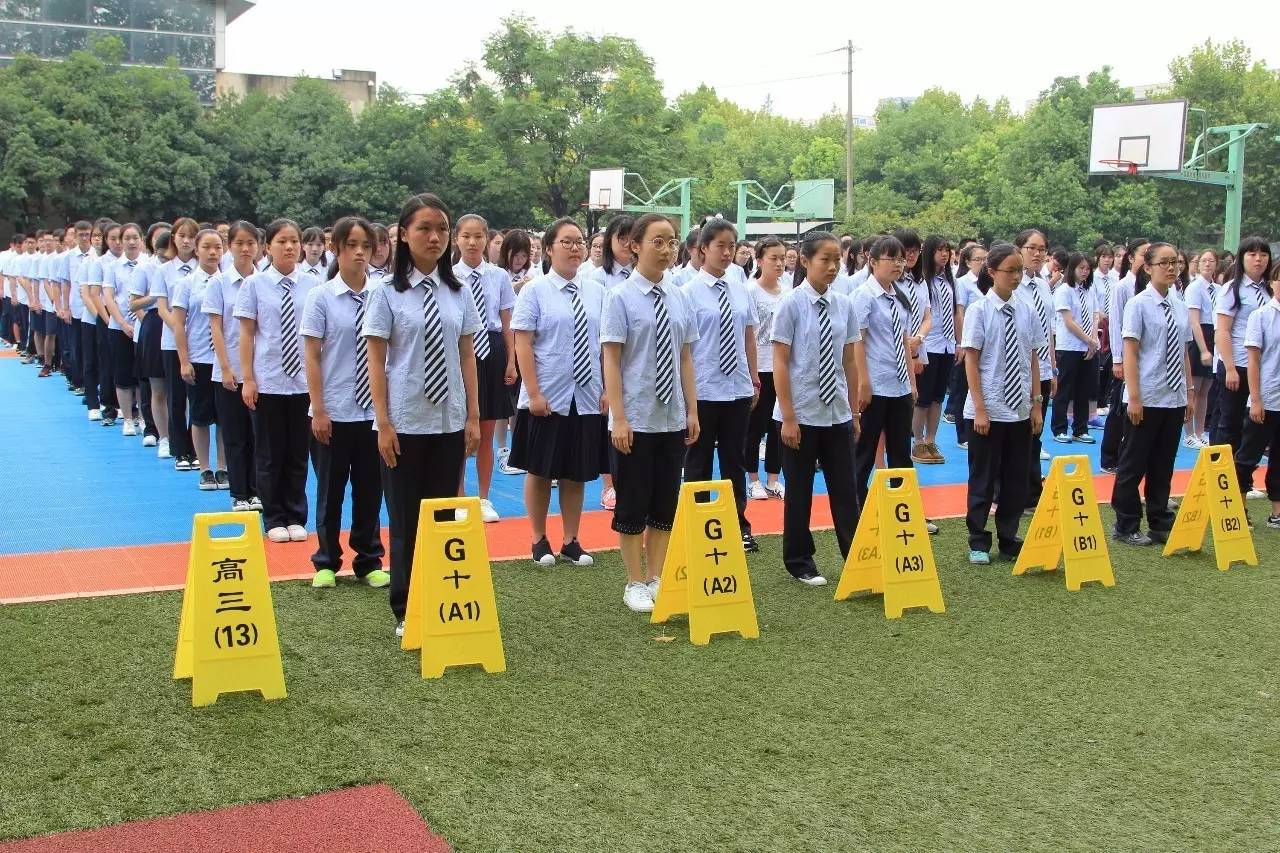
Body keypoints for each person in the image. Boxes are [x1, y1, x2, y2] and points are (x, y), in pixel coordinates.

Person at [365, 193, 481, 638]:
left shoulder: (458, 292)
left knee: (443, 514)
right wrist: (384, 422)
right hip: (405, 422)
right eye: (424, 229)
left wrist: (473, 415)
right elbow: (376, 361)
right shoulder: (386, 293)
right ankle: (406, 606)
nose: (435, 237)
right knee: (406, 518)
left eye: (442, 229)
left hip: (449, 422)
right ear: (403, 235)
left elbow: (467, 354)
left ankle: (442, 597)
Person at [601, 213, 699, 614]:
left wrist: (691, 410)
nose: (666, 249)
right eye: (657, 241)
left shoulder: (680, 295)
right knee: (632, 503)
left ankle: (658, 575)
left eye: (672, 241)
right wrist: (619, 417)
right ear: (634, 245)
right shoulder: (620, 297)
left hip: (671, 417)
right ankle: (633, 581)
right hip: (636, 418)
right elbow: (612, 359)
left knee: (664, 502)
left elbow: (686, 358)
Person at [510, 219, 609, 566]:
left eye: (579, 241)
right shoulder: (535, 290)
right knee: (539, 470)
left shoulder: (597, 290)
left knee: (575, 470)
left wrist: (607, 389)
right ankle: (538, 539)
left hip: (586, 395)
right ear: (549, 248)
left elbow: (606, 346)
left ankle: (571, 539)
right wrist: (533, 392)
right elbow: (523, 342)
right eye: (566, 242)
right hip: (547, 395)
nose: (574, 248)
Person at [300, 215, 389, 590]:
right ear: (335, 249)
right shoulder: (321, 296)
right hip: (334, 409)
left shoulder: (383, 293)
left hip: (372, 413)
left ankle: (368, 559)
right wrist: (319, 409)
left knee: (371, 488)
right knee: (330, 489)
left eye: (365, 246)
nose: (359, 253)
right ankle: (326, 560)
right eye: (351, 245)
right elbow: (312, 354)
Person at [772, 231, 862, 585]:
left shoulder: (844, 304)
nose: (832, 266)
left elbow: (850, 361)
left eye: (837, 259)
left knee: (845, 489)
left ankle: (855, 555)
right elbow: (780, 362)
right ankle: (799, 560)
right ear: (806, 261)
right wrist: (789, 416)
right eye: (825, 259)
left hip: (837, 412)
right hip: (801, 414)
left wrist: (854, 412)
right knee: (799, 491)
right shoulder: (791, 304)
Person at [236, 218, 322, 543]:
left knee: (298, 452)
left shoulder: (313, 285)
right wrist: (248, 378)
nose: (289, 247)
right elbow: (246, 334)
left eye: (294, 241)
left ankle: (296, 514)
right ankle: (273, 516)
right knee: (270, 453)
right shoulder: (254, 285)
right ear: (267, 246)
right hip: (268, 380)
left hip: (303, 382)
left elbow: (319, 338)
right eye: (282, 241)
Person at [962, 243, 1044, 564]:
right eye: (1009, 270)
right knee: (982, 477)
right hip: (988, 409)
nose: (1015, 276)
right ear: (992, 272)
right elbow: (972, 360)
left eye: (1019, 270)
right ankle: (978, 539)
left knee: (1015, 478)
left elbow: (1034, 358)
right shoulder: (979, 310)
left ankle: (1009, 537)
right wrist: (980, 407)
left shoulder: (1026, 309)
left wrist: (1036, 403)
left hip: (1020, 410)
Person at [682, 219, 760, 552]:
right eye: (720, 246)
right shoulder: (686, 292)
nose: (727, 253)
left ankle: (737, 523)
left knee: (734, 460)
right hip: (702, 388)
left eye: (732, 246)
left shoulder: (740, 288)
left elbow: (748, 336)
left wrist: (754, 378)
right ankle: (698, 524)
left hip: (737, 388)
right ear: (703, 249)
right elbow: (682, 348)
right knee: (697, 461)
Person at [1112, 243, 1193, 546]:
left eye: (1175, 262)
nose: (1171, 268)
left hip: (1173, 396)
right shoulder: (1139, 304)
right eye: (1164, 263)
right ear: (1147, 268)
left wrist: (1189, 392)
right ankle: (1126, 524)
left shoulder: (1178, 303)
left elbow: (1184, 351)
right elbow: (1130, 352)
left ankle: (1159, 520)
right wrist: (1134, 397)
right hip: (1146, 394)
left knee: (1163, 462)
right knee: (1133, 462)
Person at [453, 213, 517, 522]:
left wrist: (511, 359)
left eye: (479, 236)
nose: (473, 242)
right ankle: (459, 497)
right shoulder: (449, 276)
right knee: (460, 429)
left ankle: (484, 498)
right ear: (457, 239)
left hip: (492, 348)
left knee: (489, 427)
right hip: (460, 349)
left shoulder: (499, 276)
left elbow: (507, 322)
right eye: (466, 235)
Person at [850, 235, 917, 510]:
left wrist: (912, 381)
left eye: (901, 259)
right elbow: (857, 342)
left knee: (902, 453)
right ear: (873, 261)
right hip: (875, 385)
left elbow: (903, 340)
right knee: (864, 451)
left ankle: (904, 509)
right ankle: (856, 509)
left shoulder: (898, 296)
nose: (898, 264)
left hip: (899, 384)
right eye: (892, 259)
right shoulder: (863, 296)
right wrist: (863, 383)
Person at [205, 221, 260, 512]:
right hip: (229, 371)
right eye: (239, 243)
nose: (246, 249)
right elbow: (217, 328)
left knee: (258, 436)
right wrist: (227, 368)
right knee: (235, 434)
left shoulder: (263, 281)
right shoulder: (219, 282)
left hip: (259, 373)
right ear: (230, 246)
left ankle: (256, 490)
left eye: (251, 242)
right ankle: (239, 492)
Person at [1213, 236, 1273, 493]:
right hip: (1236, 365)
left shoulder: (1270, 289)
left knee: (1257, 426)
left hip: (1263, 368)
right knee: (1230, 424)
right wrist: (1229, 367)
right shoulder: (1232, 289)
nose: (1258, 259)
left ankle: (1243, 481)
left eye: (1263, 254)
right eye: (1251, 254)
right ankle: (1221, 482)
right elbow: (1223, 331)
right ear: (1241, 258)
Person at [171, 229, 227, 490]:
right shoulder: (186, 284)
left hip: (225, 360)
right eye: (207, 247)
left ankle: (224, 467)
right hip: (200, 357)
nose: (213, 252)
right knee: (200, 415)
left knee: (227, 418)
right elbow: (179, 324)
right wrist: (184, 360)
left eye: (217, 247)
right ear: (197, 250)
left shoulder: (229, 282)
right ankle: (204, 467)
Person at [151, 217, 200, 472]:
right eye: (181, 235)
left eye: (191, 236)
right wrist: (181, 331)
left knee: (198, 400)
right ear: (173, 238)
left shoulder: (204, 267)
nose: (186, 240)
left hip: (201, 345)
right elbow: (162, 308)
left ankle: (196, 450)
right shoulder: (164, 270)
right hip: (173, 342)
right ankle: (180, 449)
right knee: (176, 397)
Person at [1236, 259, 1280, 527]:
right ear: (1273, 283)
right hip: (1266, 397)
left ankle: (1277, 512)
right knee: (1248, 456)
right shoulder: (1261, 316)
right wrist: (1256, 398)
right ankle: (1240, 510)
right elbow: (1252, 360)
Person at [746, 236, 789, 500]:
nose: (780, 263)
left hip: (782, 368)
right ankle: (752, 478)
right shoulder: (750, 290)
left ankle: (774, 478)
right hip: (759, 367)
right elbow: (748, 334)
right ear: (760, 260)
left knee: (779, 425)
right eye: (774, 258)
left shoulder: (788, 292)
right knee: (755, 426)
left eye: (783, 258)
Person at [1014, 229, 1056, 501]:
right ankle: (1015, 489)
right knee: (1018, 432)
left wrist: (1052, 367)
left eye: (1042, 249)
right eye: (1032, 248)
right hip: (1019, 369)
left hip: (1042, 366)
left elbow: (1049, 329)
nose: (1038, 254)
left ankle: (1031, 488)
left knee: (1036, 430)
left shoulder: (1043, 285)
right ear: (1019, 250)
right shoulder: (1013, 285)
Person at [1100, 238, 1149, 472]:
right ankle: (1109, 457)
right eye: (1143, 254)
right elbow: (1115, 323)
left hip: (1147, 359)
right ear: (1131, 258)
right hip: (1125, 356)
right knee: (1119, 408)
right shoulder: (1122, 287)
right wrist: (1118, 359)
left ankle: (1131, 455)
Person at [912, 235, 957, 464]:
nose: (944, 254)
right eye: (939, 250)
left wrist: (958, 341)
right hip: (929, 344)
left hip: (948, 345)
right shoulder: (922, 281)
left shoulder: (949, 280)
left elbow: (956, 312)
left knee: (938, 396)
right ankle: (918, 441)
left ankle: (931, 439)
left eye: (947, 250)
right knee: (923, 397)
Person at [1050, 252, 1099, 444]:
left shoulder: (1089, 290)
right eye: (1081, 268)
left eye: (1088, 269)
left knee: (1084, 390)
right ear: (1072, 269)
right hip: (1069, 346)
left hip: (1088, 346)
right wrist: (1088, 340)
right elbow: (1068, 322)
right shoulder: (1064, 290)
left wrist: (1093, 341)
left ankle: (1081, 428)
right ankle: (1059, 428)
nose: (1085, 272)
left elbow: (1095, 316)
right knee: (1064, 389)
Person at [943, 242, 987, 448]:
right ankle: (963, 434)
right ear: (967, 262)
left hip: (986, 342)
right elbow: (959, 312)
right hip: (968, 340)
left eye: (985, 259)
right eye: (978, 259)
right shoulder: (962, 283)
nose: (982, 263)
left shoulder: (990, 282)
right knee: (962, 388)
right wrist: (959, 341)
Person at [1184, 249, 1219, 447]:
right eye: (1204, 260)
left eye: (1211, 260)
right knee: (1193, 389)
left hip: (1214, 333)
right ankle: (1189, 434)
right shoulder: (1194, 288)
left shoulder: (1220, 289)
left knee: (1205, 389)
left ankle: (1200, 432)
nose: (1207, 264)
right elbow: (1194, 321)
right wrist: (1204, 349)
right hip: (1200, 336)